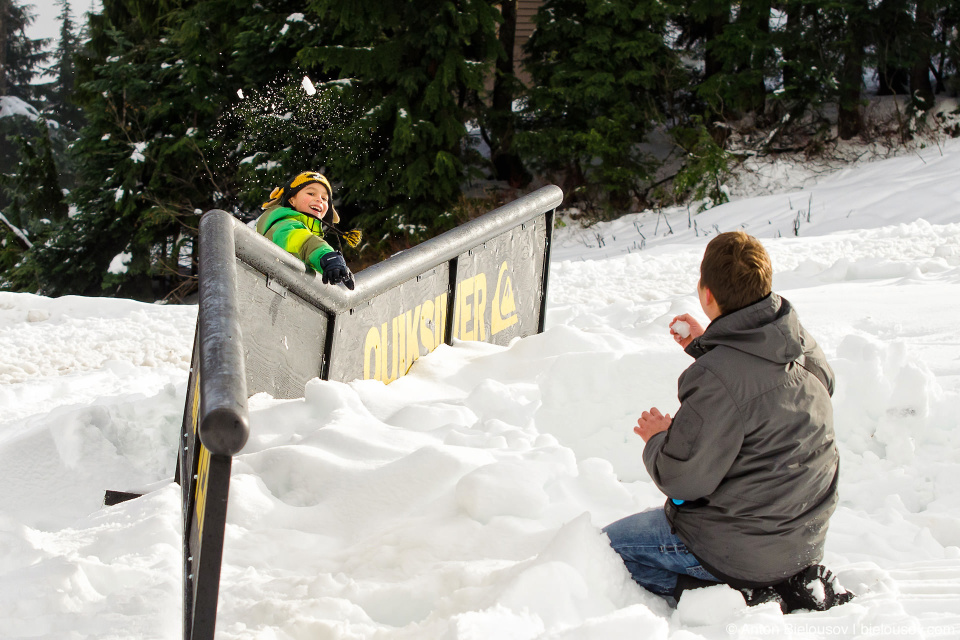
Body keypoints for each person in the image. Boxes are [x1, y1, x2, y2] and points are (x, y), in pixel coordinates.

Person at [603, 230, 853, 612]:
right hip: (804, 534)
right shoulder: (792, 335)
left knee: (602, 552)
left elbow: (682, 479)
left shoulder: (714, 379)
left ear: (706, 295)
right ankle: (788, 580)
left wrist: (658, 438)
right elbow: (771, 381)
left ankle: (737, 595)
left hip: (739, 550)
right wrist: (709, 346)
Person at [256, 171, 357, 289]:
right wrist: (326, 255)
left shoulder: (307, 233)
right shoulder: (283, 225)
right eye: (311, 193)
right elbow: (301, 240)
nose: (319, 200)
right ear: (291, 200)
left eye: (324, 198)